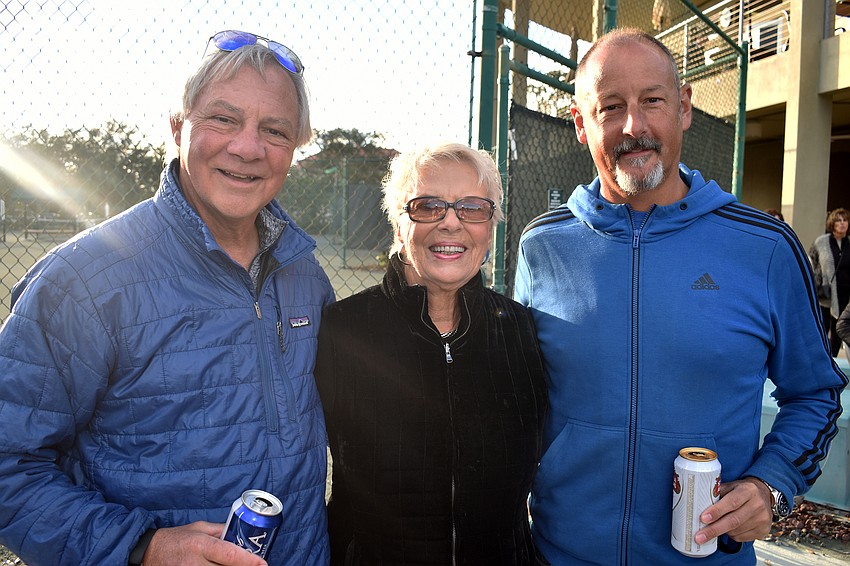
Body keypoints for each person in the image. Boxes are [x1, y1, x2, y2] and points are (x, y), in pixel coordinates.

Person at [514, 28, 847, 565]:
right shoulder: (542, 246)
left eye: (652, 100)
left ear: (684, 108)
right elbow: (518, 395)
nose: (634, 126)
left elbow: (816, 393)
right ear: (579, 123)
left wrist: (771, 484)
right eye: (610, 107)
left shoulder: (765, 247)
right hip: (556, 554)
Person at [0, 30, 334, 566]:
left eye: (274, 130)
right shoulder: (82, 281)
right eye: (223, 119)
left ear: (293, 151)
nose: (247, 148)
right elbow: (9, 465)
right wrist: (142, 546)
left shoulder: (304, 274)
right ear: (178, 127)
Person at [315, 142, 548, 565]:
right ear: (397, 225)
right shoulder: (341, 331)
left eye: (472, 208)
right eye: (427, 206)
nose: (451, 223)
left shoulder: (521, 329)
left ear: (491, 226)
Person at [809, 208, 850, 357]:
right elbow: (812, 261)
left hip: (845, 292)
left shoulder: (849, 243)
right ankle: (819, 356)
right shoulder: (822, 242)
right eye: (838, 220)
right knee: (823, 326)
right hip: (826, 293)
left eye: (845, 220)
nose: (842, 223)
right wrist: (818, 280)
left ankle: (833, 358)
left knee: (841, 327)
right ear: (832, 223)